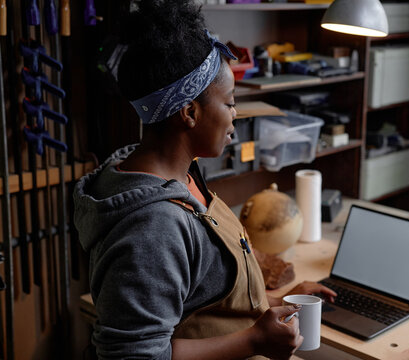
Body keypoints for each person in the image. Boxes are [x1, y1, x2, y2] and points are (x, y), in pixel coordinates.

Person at [73, 1, 336, 359]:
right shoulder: (152, 227)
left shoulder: (177, 174)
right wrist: (254, 341)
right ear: (190, 113)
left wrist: (272, 301)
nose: (235, 114)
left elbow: (202, 294)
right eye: (229, 102)